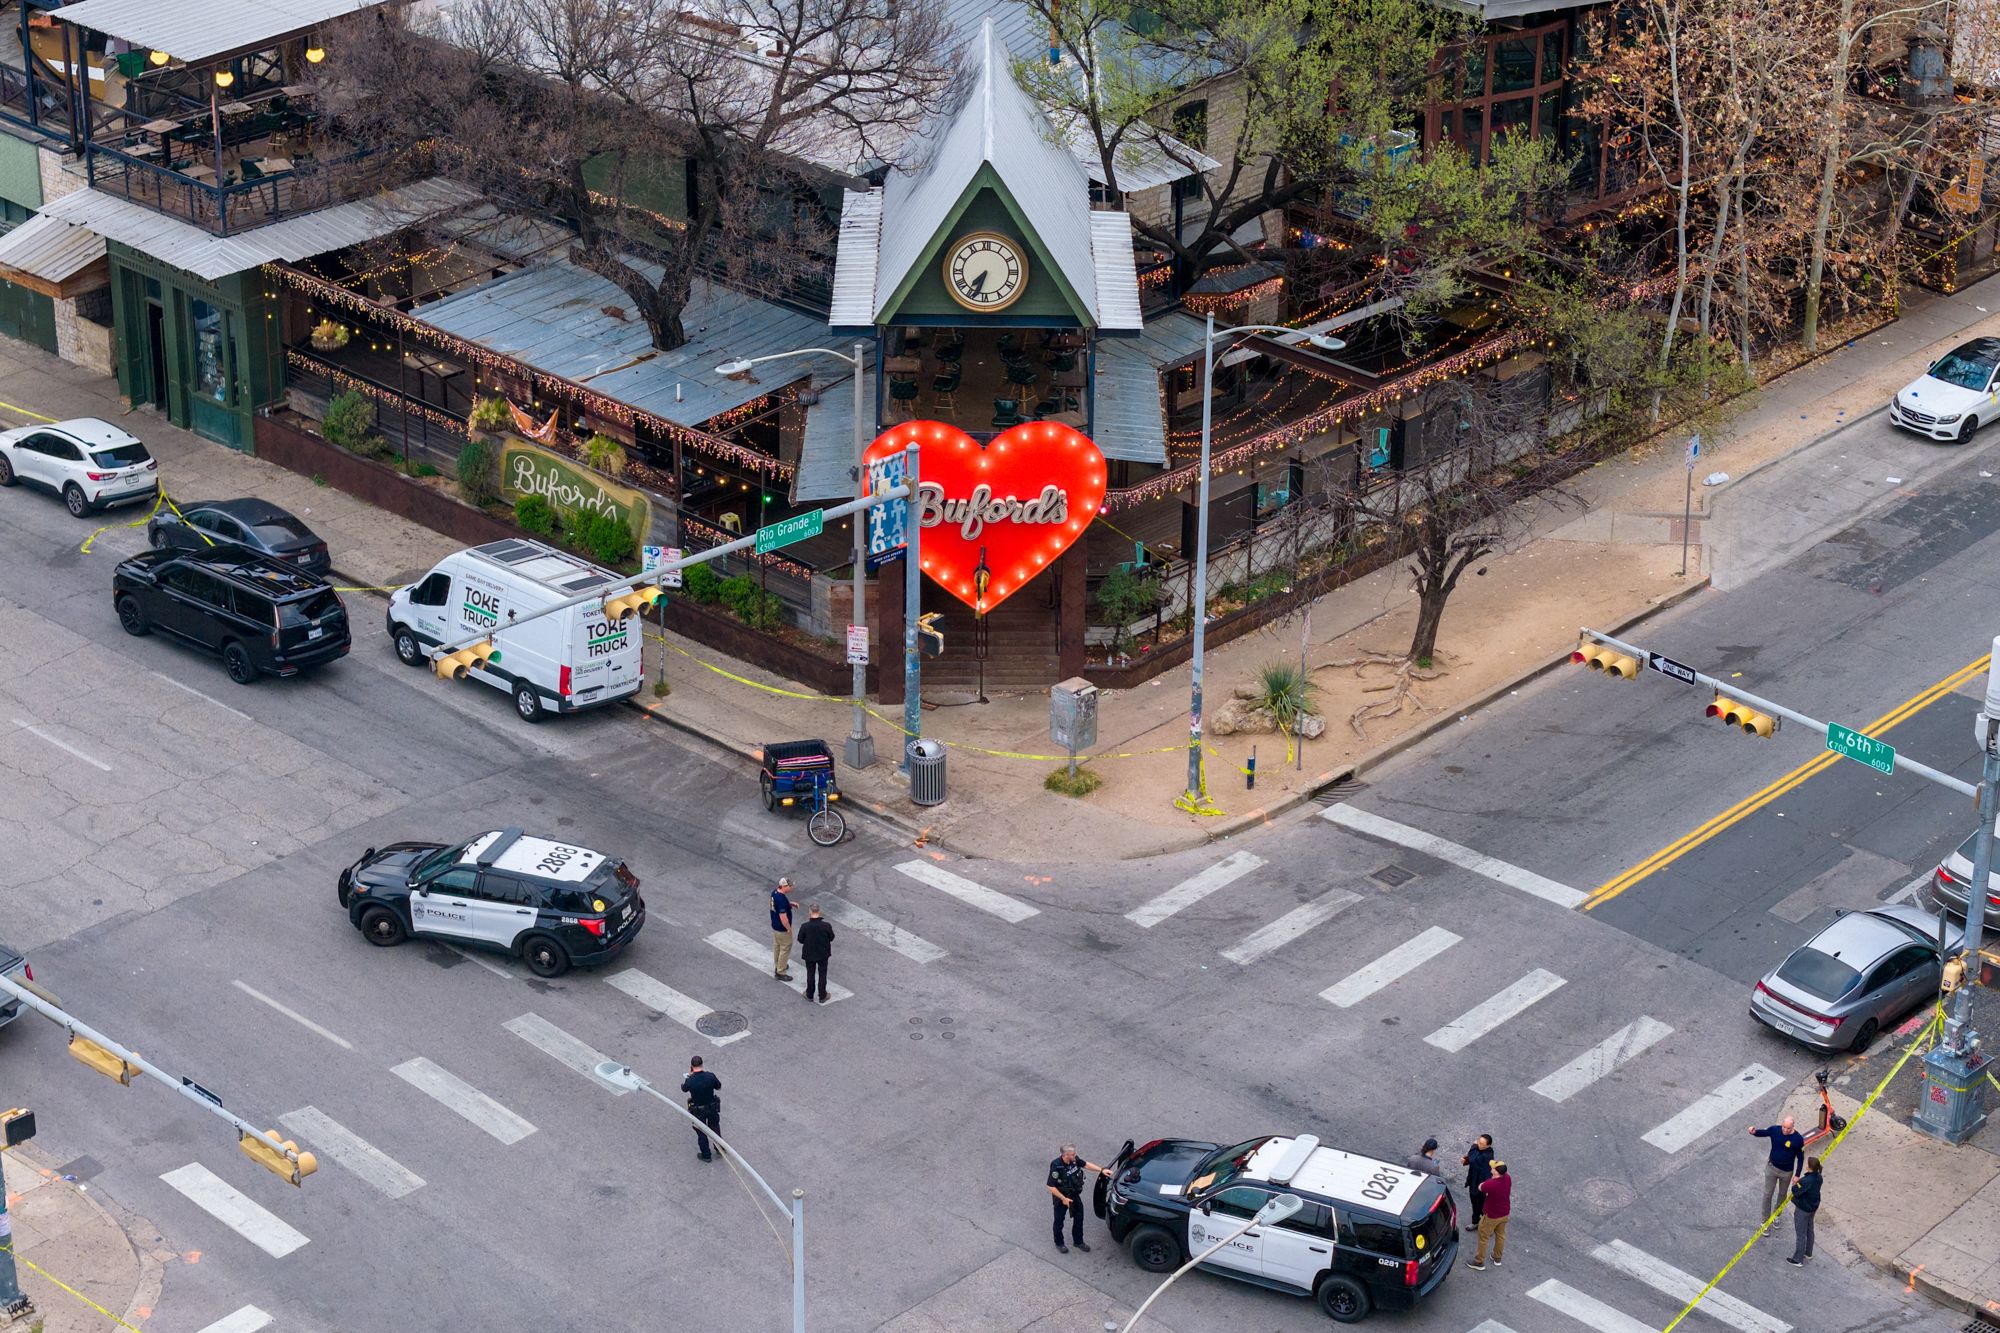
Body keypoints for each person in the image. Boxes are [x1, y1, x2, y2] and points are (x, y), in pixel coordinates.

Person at [1046, 1144, 1112, 1254]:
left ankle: (1078, 1241)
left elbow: (1085, 1164)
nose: (1075, 1155)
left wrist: (1101, 1170)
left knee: (1079, 1218)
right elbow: (1050, 1186)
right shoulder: (1056, 1165)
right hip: (1061, 1198)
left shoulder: (1074, 1160)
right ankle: (1059, 1243)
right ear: (1065, 1155)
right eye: (1072, 1154)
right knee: (1059, 1221)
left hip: (1074, 1195)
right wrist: (1063, 1199)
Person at [1749, 1116, 1805, 1228]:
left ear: (1793, 1127)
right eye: (1784, 1127)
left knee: (1782, 1194)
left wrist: (1797, 1175)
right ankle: (1764, 1221)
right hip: (1771, 1168)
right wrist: (1754, 1132)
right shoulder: (1775, 1130)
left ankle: (1777, 1215)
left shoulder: (1798, 1139)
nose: (1785, 1130)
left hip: (1786, 1172)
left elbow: (1800, 1158)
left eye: (1788, 1128)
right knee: (1767, 1194)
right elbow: (1764, 1133)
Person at [1466, 1161, 1511, 1270]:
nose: (1491, 1167)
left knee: (1483, 1238)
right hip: (1504, 1213)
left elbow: (1481, 1187)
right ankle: (1497, 1257)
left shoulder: (1490, 1184)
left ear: (1495, 1172)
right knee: (1500, 1235)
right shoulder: (1507, 1178)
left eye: (1492, 1167)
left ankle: (1479, 1261)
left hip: (1491, 1215)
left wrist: (1484, 1184)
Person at [681, 1056, 722, 1162]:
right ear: (702, 1065)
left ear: (691, 1067)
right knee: (715, 1127)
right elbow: (719, 1087)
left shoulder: (690, 1081)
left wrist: (689, 1077)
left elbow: (684, 1089)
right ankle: (719, 1148)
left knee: (701, 1132)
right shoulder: (710, 1076)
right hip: (712, 1108)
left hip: (698, 1111)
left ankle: (706, 1155)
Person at [1786, 1157, 1822, 1267]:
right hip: (1812, 1207)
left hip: (1803, 1209)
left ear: (1809, 1167)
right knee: (1810, 1229)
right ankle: (1808, 1252)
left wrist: (1795, 1183)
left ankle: (1798, 1259)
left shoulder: (1806, 1180)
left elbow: (1795, 1191)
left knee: (1801, 1233)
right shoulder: (1819, 1177)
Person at [797, 904, 835, 1003]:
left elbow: (800, 939)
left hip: (809, 954)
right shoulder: (826, 925)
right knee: (822, 974)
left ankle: (809, 994)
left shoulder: (805, 926)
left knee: (810, 974)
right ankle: (822, 995)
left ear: (810, 912)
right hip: (823, 954)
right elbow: (831, 937)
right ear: (819, 912)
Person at [1462, 1135, 1495, 1232]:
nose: (1479, 1144)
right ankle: (1475, 1221)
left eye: (1481, 1144)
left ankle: (1489, 1225)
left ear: (1488, 1145)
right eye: (1478, 1142)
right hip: (1473, 1182)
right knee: (1475, 1204)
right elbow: (1472, 1159)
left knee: (1482, 1207)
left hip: (1481, 1187)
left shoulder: (1487, 1156)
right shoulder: (1480, 1151)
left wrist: (1473, 1145)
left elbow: (1473, 1158)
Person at [770, 877, 795, 980]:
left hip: (775, 926)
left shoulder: (775, 893)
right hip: (782, 929)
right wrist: (788, 928)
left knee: (777, 947)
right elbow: (783, 917)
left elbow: (776, 906)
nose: (792, 887)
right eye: (790, 886)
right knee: (785, 948)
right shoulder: (781, 899)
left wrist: (789, 905)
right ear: (784, 886)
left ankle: (778, 965)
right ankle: (780, 971)